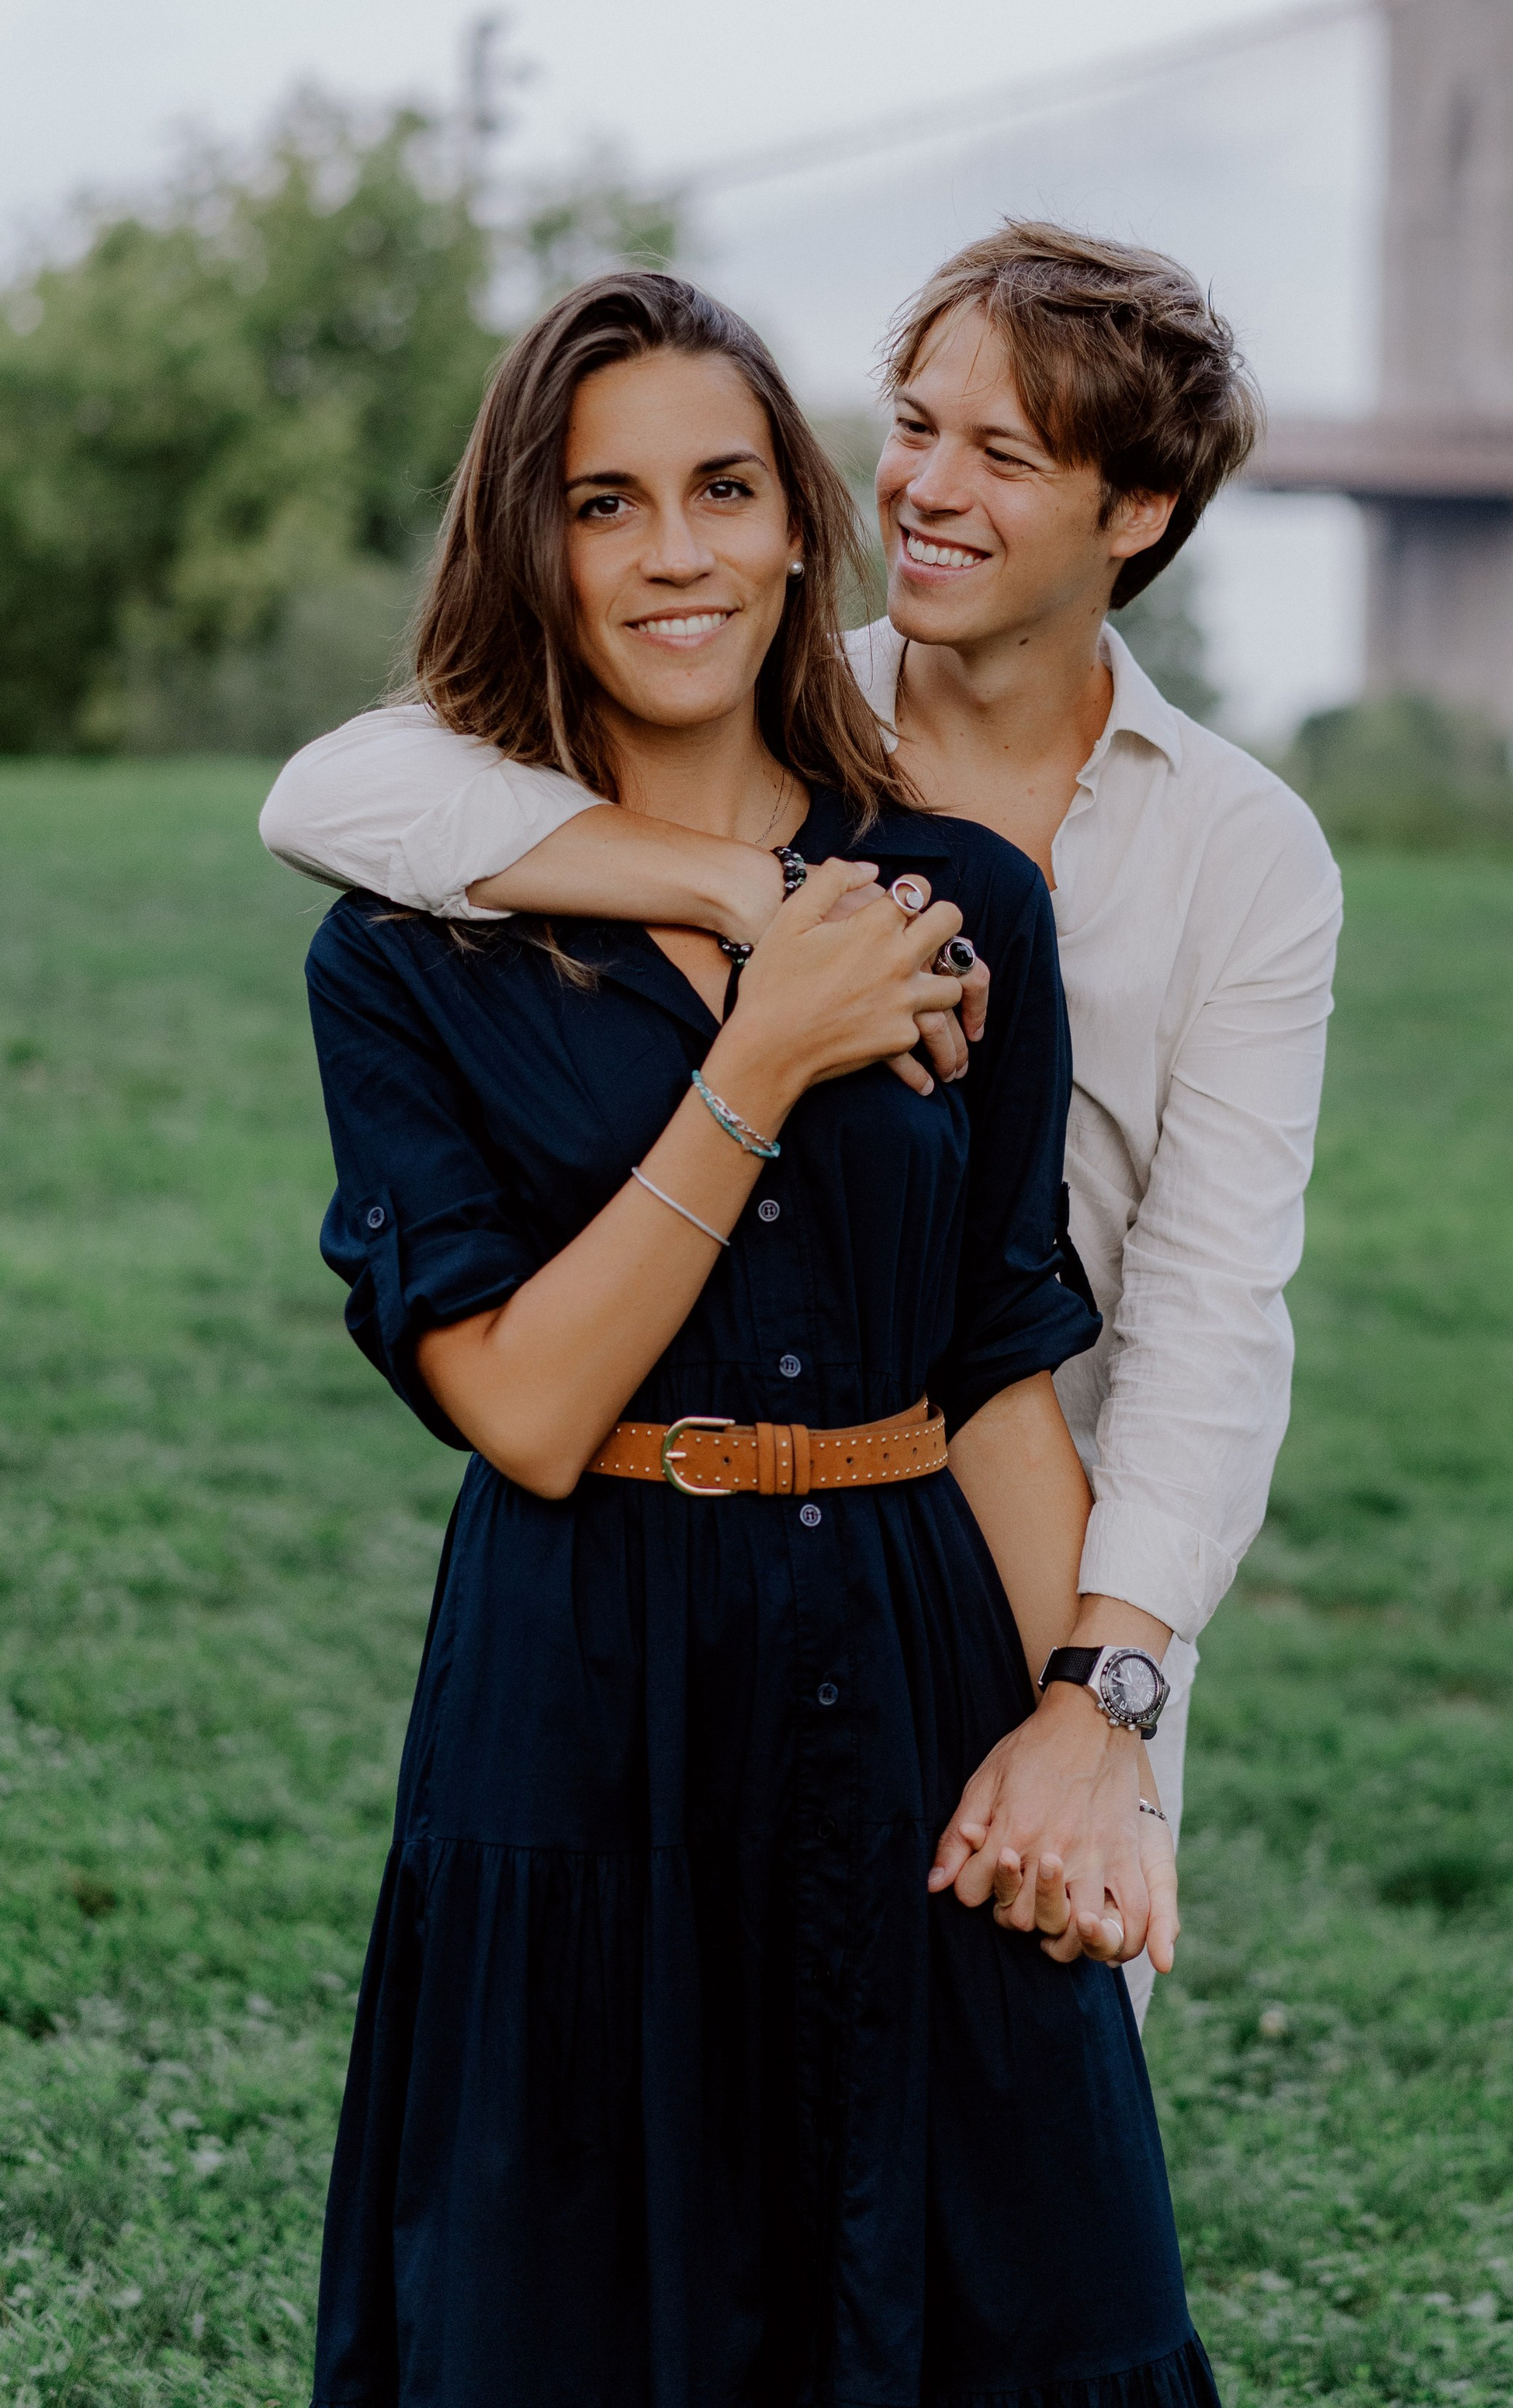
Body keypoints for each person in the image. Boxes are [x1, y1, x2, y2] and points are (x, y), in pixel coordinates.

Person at [300, 269, 1216, 2408]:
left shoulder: (966, 901)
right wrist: (763, 1052)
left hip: (909, 1666)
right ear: (531, 545)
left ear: (803, 525)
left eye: (723, 488)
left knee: (1030, 2292)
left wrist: (1102, 1750)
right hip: (580, 1686)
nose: (675, 552)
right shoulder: (404, 956)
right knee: (589, 2319)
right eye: (604, 505)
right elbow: (523, 1405)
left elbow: (994, 1361)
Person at [264, 220, 1345, 2016]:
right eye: (912, 424)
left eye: (1002, 454)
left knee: (1021, 2112)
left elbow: (1213, 1306)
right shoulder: (746, 697)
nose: (923, 486)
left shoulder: (1244, 850)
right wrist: (758, 891)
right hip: (710, 1525)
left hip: (1069, 1561)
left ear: (1134, 514)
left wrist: (1107, 1695)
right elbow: (337, 792)